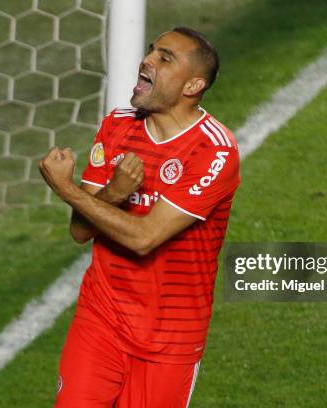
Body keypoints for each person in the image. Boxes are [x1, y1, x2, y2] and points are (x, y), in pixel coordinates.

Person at [39, 26, 240, 408]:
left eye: (165, 58)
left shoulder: (213, 151)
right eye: (151, 51)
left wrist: (65, 188)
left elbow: (144, 238)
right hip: (101, 319)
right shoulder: (118, 124)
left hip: (170, 337)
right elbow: (80, 231)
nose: (147, 60)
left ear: (193, 85)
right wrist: (113, 193)